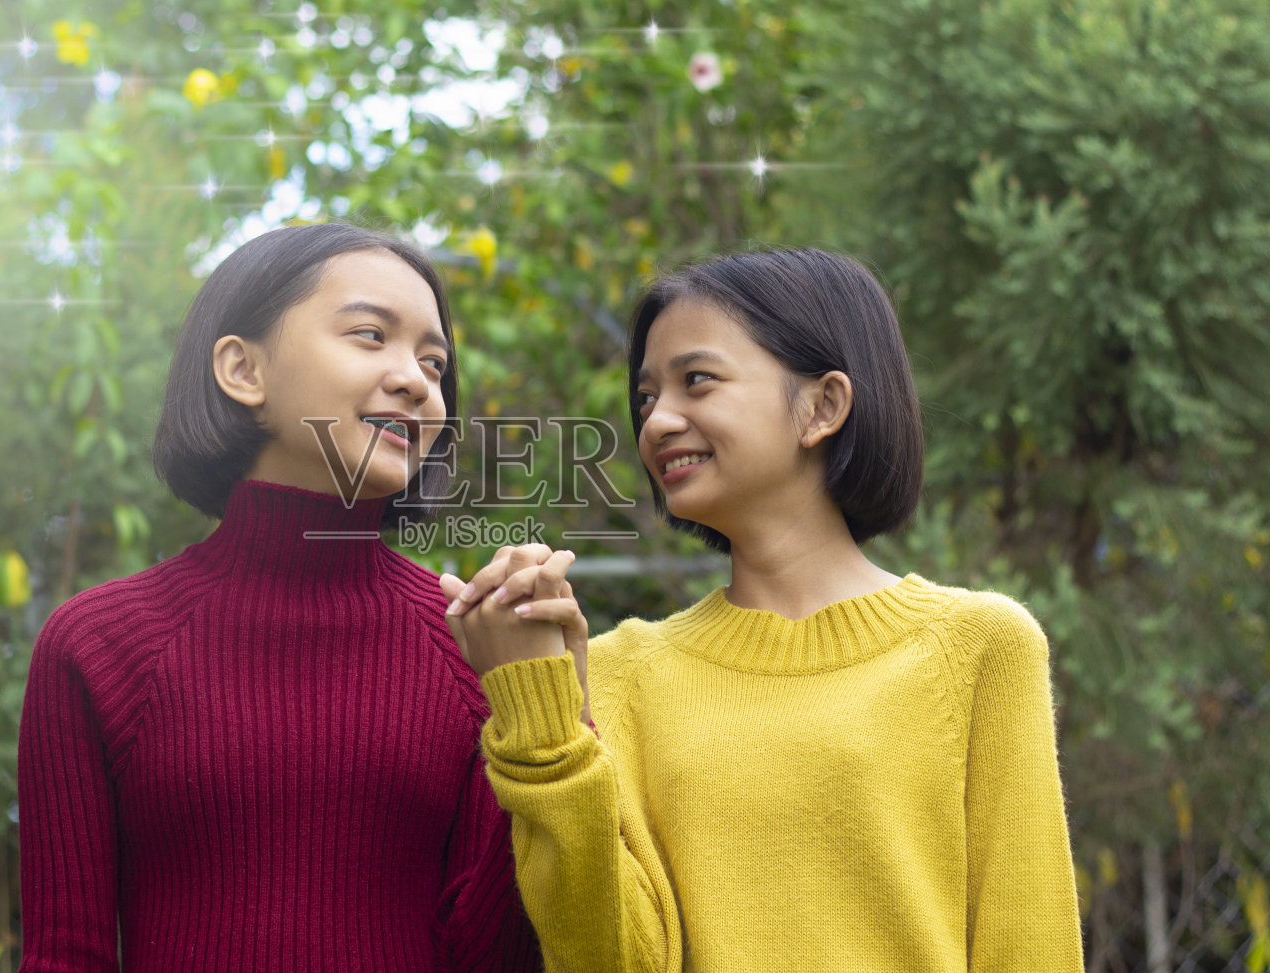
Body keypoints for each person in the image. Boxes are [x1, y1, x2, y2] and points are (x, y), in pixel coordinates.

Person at [440, 247, 1084, 972]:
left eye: (698, 381)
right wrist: (540, 713)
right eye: (648, 396)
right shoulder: (620, 671)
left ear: (823, 406)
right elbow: (607, 959)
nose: (657, 422)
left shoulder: (980, 646)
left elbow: (1030, 947)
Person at [17, 222, 540, 972]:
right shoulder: (97, 645)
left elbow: (497, 956)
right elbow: (68, 955)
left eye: (434, 362)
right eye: (370, 335)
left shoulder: (476, 648)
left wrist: (546, 706)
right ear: (242, 369)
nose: (417, 380)